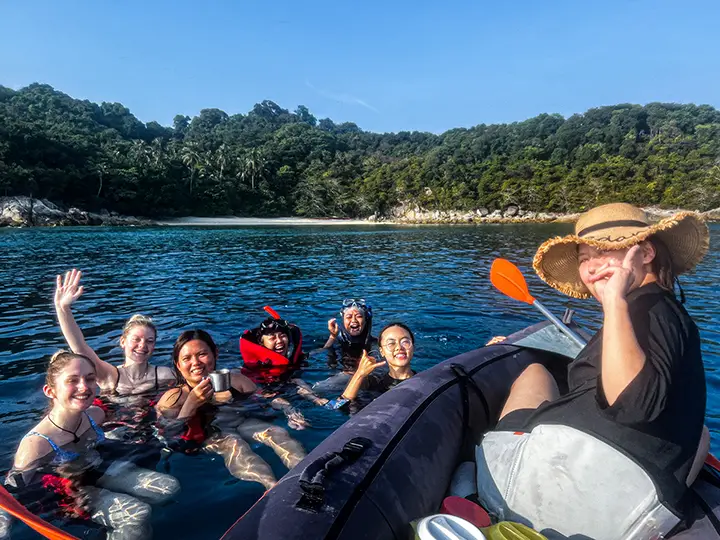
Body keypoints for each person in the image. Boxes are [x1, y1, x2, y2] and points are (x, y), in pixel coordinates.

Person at [475, 203, 710, 539]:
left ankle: (474, 482)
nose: (591, 266)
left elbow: (632, 403)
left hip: (537, 488)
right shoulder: (669, 314)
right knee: (700, 433)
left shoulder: (642, 310)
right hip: (631, 518)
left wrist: (614, 299)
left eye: (604, 251)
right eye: (585, 258)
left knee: (536, 373)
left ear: (644, 252)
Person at [2, 351, 179, 540]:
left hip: (97, 469)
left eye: (90, 379)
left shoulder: (95, 415)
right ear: (50, 391)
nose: (83, 387)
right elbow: (11, 491)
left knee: (168, 487)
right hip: (68, 492)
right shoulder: (36, 444)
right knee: (137, 512)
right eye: (72, 380)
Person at [155, 330, 307, 490]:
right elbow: (168, 433)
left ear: (215, 354)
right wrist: (191, 403)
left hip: (240, 423)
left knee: (276, 431)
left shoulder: (236, 381)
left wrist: (289, 410)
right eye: (186, 358)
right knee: (234, 444)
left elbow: (267, 398)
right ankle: (272, 488)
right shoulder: (173, 398)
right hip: (211, 435)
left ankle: (307, 475)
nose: (196, 362)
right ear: (178, 365)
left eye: (202, 354)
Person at [54, 269, 175, 396]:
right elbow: (80, 347)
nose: (142, 345)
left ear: (154, 345)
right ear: (123, 342)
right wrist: (62, 308)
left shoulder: (164, 375)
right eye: (136, 339)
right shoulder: (109, 375)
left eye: (149, 341)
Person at [241, 315, 328, 408]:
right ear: (262, 343)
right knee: (283, 403)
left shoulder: (292, 356)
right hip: (268, 393)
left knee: (299, 382)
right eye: (272, 338)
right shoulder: (255, 365)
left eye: (282, 336)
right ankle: (292, 415)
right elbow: (257, 390)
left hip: (290, 383)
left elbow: (317, 351)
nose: (279, 341)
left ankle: (317, 400)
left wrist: (332, 337)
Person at [328, 322, 416, 410]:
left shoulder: (426, 381)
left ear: (413, 346)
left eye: (405, 342)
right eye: (391, 344)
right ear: (382, 351)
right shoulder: (372, 384)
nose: (399, 348)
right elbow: (338, 407)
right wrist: (359, 374)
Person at [314, 299, 378, 394]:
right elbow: (318, 354)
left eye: (359, 316)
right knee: (317, 389)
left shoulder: (375, 343)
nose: (354, 320)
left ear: (366, 320)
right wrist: (332, 337)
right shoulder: (338, 340)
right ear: (343, 320)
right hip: (342, 378)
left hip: (366, 381)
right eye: (349, 317)